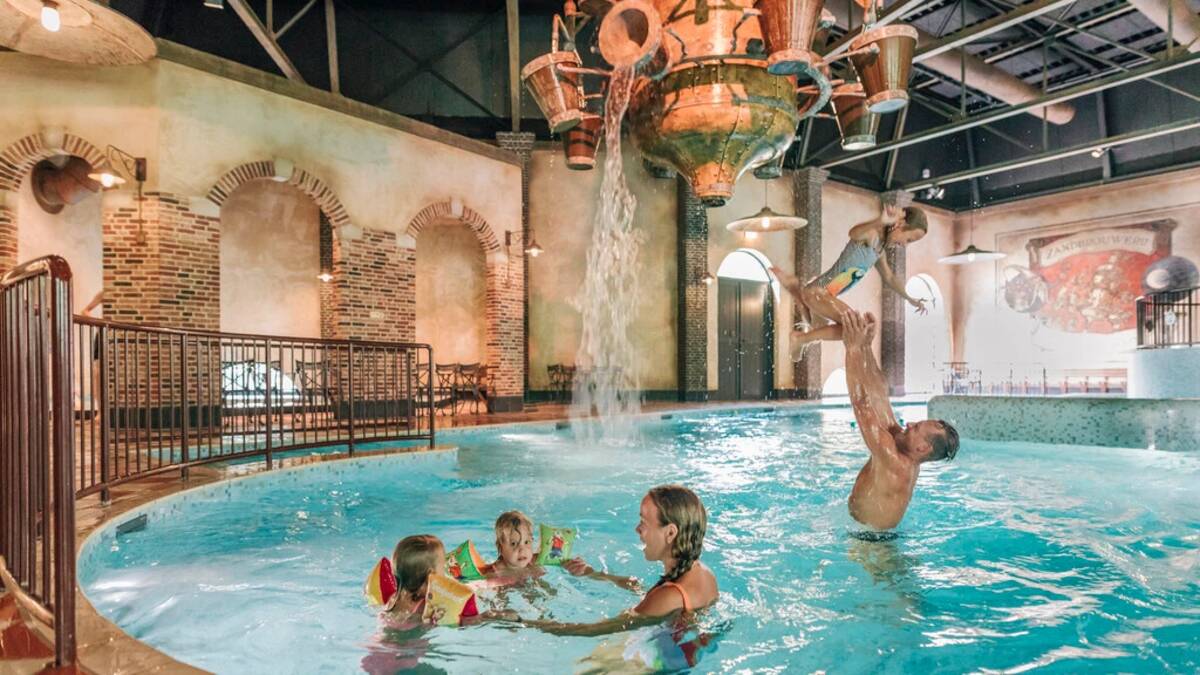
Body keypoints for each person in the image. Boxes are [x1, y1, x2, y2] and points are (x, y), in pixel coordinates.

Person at [522, 485, 718, 637]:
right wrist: (593, 574)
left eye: (644, 522)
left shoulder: (667, 595)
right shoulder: (703, 572)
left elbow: (593, 630)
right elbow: (641, 589)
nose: (637, 529)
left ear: (670, 533)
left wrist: (521, 621)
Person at [842, 311, 960, 530]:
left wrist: (852, 349)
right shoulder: (902, 446)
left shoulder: (894, 461)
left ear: (922, 448)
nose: (909, 425)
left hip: (869, 543)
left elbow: (862, 405)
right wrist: (866, 347)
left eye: (916, 428)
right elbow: (879, 394)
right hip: (870, 534)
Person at [772, 204, 931, 361]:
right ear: (900, 224)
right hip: (819, 292)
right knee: (856, 327)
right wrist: (880, 221)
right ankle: (799, 337)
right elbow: (853, 233)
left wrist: (910, 298)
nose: (905, 245)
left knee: (820, 329)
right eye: (909, 239)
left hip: (824, 294)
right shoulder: (871, 235)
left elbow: (889, 277)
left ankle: (796, 292)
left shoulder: (879, 251)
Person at [489, 510, 641, 591]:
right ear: (500, 546)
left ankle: (615, 580)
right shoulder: (496, 571)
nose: (522, 549)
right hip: (510, 592)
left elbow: (566, 562)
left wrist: (581, 568)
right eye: (513, 543)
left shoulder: (536, 560)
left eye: (527, 542)